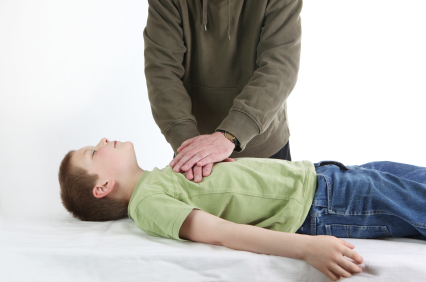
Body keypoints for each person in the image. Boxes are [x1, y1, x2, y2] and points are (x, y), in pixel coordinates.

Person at [59, 138, 426, 281]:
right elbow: (218, 231)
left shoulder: (163, 174)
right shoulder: (147, 205)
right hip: (324, 203)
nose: (103, 141)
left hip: (323, 175)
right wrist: (306, 248)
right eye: (94, 152)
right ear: (102, 186)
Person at [144, 0, 301, 183]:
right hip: (194, 147)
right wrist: (192, 148)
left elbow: (279, 69)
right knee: (196, 213)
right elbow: (162, 73)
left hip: (263, 146)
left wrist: (231, 134)